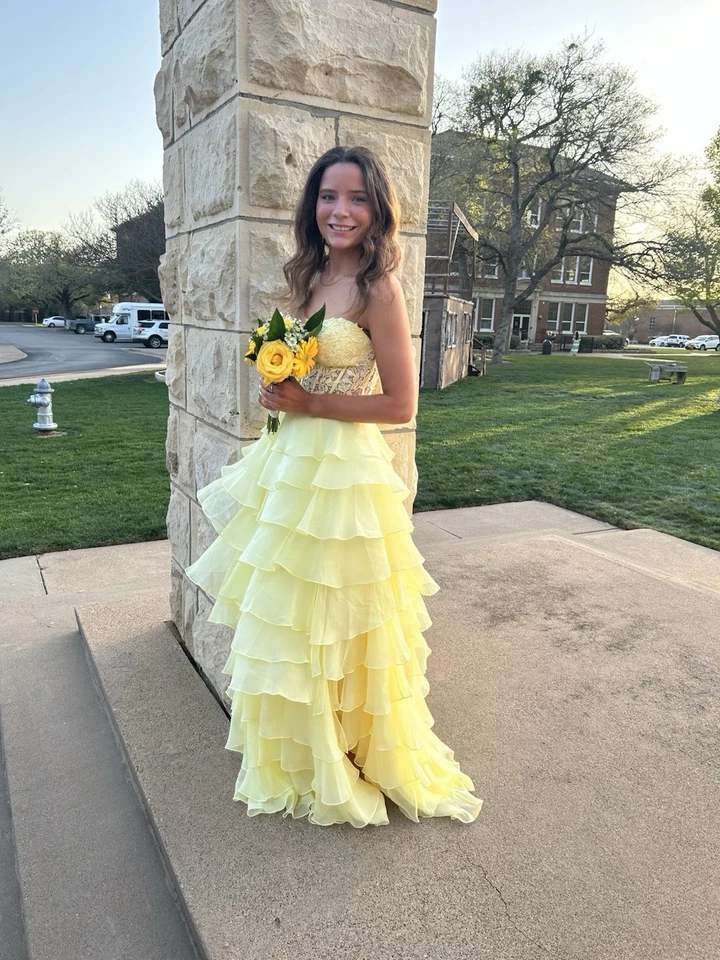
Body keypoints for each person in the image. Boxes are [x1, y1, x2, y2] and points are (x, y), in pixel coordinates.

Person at [184, 145, 482, 827]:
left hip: (344, 473)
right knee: (292, 610)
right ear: (311, 206)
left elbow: (399, 404)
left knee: (338, 610)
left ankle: (351, 747)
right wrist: (278, 388)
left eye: (355, 198)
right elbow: (301, 371)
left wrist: (312, 403)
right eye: (327, 196)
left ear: (377, 210)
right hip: (289, 464)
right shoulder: (307, 274)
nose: (339, 211)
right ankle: (308, 749)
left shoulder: (380, 289)